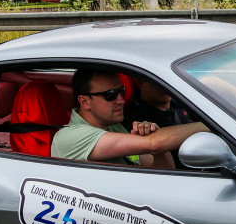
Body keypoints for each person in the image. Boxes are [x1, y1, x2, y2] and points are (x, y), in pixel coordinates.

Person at [52, 67, 206, 168]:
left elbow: (164, 172)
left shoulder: (113, 127)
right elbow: (155, 142)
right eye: (110, 95)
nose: (121, 100)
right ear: (84, 102)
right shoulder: (70, 137)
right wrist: (213, 126)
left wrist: (158, 151)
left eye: (121, 91)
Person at [124, 77, 195, 130]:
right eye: (156, 83)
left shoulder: (181, 100)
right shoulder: (140, 124)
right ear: (141, 84)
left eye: (166, 81)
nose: (164, 87)